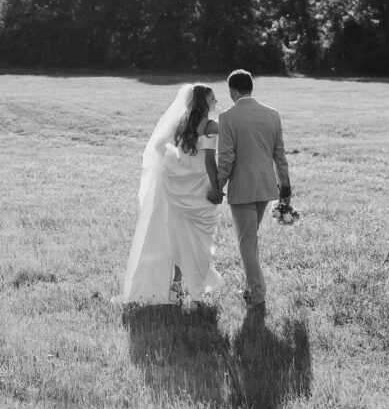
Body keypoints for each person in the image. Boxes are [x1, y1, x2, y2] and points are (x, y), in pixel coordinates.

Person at [123, 83, 224, 307]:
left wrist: (177, 168)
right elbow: (209, 160)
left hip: (179, 188)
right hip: (199, 190)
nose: (216, 101)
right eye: (212, 97)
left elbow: (160, 146)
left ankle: (177, 285)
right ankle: (196, 296)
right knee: (198, 242)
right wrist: (217, 188)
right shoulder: (209, 125)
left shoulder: (180, 123)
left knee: (179, 237)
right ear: (203, 101)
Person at [210, 69, 291, 315]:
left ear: (233, 91)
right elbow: (280, 155)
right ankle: (252, 289)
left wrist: (218, 186)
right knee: (250, 239)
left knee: (247, 243)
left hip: (243, 188)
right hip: (265, 187)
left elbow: (226, 157)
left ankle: (257, 295)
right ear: (250, 87)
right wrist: (285, 187)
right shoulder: (272, 114)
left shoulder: (228, 117)